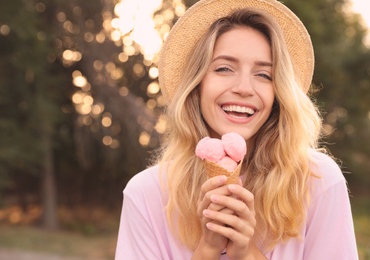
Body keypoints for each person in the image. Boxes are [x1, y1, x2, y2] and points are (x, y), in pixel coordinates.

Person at [115, 0, 358, 259]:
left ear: (279, 93)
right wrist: (208, 248)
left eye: (264, 74)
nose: (244, 87)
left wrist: (246, 253)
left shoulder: (317, 183)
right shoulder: (145, 194)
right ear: (197, 85)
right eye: (224, 68)